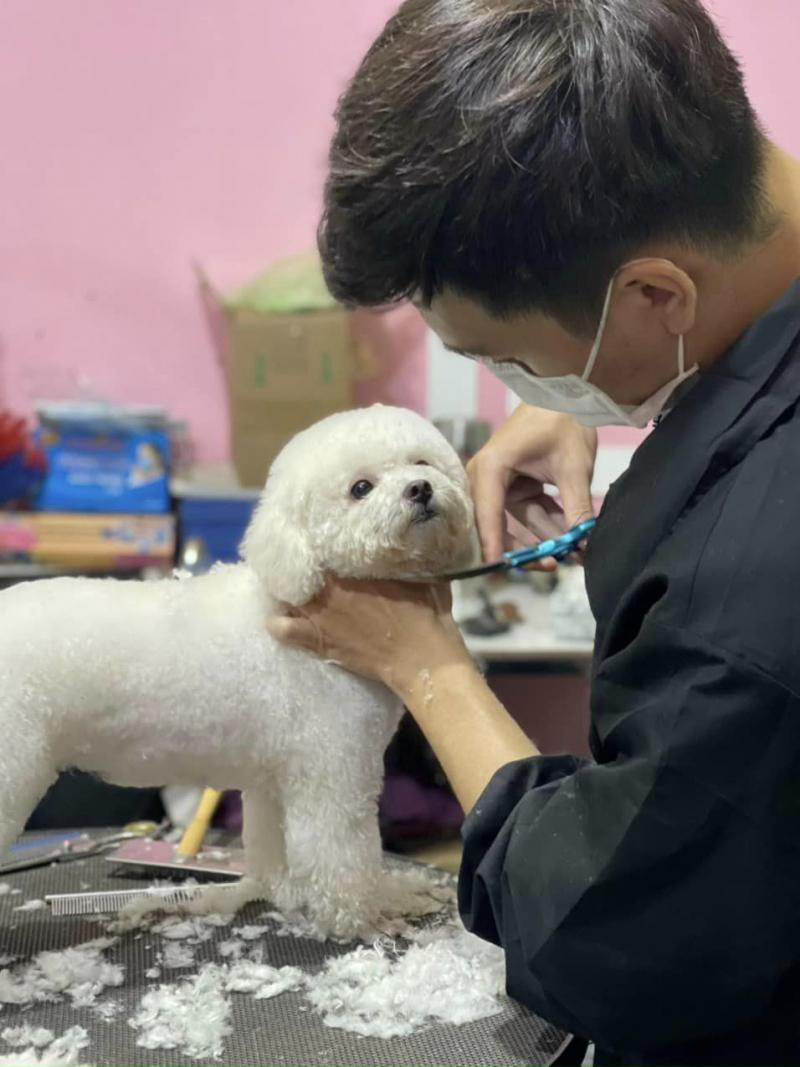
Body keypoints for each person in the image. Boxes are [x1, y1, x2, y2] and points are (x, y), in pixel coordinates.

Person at [268, 1, 800, 1062]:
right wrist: (586, 382)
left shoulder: (744, 592)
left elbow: (620, 945)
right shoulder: (725, 239)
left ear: (655, 293)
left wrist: (428, 669)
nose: (514, 388)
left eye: (504, 357)